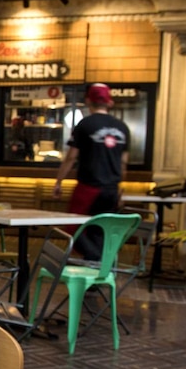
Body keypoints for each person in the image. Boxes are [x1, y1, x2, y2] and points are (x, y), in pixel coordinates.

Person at [53, 83, 130, 260]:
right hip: (111, 189)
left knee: (73, 227)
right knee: (99, 231)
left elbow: (71, 157)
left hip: (89, 187)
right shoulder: (122, 127)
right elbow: (123, 162)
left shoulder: (85, 124)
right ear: (108, 102)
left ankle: (97, 260)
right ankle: (96, 276)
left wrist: (59, 182)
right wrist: (119, 189)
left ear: (88, 100)